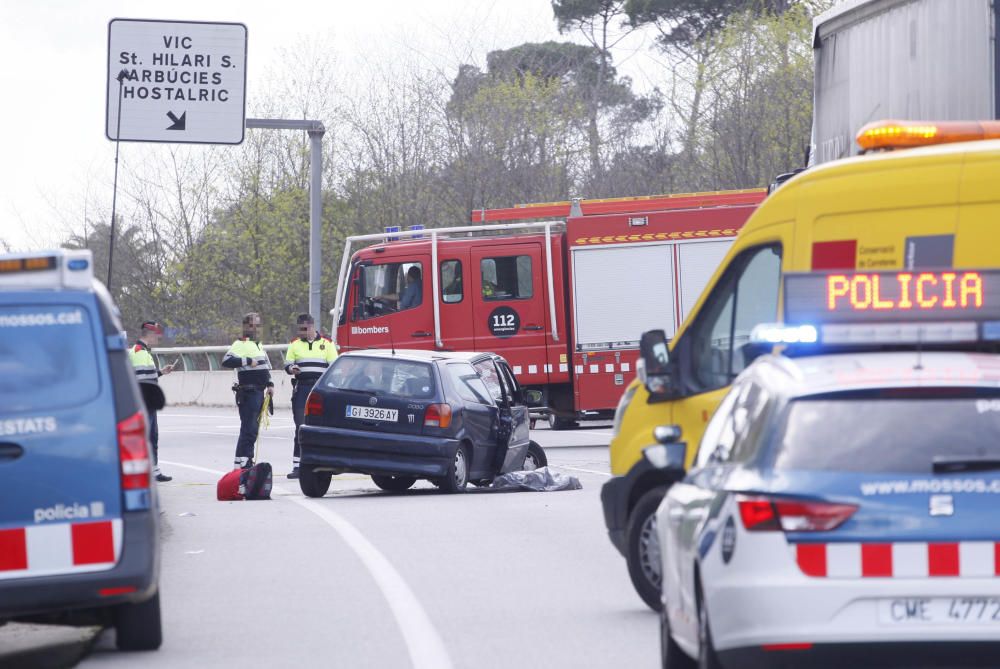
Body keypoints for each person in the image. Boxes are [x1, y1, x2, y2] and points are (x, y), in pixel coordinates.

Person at [283, 313, 337, 479]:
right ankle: (298, 466)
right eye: (300, 330)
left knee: (322, 428)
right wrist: (292, 369)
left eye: (305, 329)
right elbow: (288, 364)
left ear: (312, 327)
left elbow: (334, 366)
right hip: (302, 388)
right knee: (301, 428)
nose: (302, 333)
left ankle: (325, 463)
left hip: (320, 390)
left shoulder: (327, 344)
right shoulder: (294, 344)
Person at [222, 313, 274, 470]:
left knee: (252, 429)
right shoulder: (240, 343)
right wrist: (247, 361)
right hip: (248, 392)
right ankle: (245, 461)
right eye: (253, 325)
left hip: (259, 392)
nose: (256, 328)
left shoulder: (258, 344)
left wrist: (270, 384)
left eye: (258, 325)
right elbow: (226, 361)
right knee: (249, 429)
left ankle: (241, 462)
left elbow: (265, 367)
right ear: (246, 327)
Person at [128, 321, 175, 482]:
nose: (158, 338)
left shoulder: (140, 351)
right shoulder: (140, 352)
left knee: (150, 436)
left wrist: (161, 372)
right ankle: (147, 472)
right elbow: (143, 381)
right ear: (150, 334)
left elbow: (145, 376)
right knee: (148, 436)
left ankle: (152, 470)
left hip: (144, 401)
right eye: (157, 335)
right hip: (145, 402)